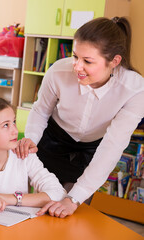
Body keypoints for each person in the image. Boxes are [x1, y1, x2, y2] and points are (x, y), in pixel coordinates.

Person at [15, 17, 144, 218]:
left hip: (94, 150)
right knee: (37, 208)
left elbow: (112, 146)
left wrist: (73, 199)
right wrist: (31, 138)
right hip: (53, 140)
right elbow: (41, 111)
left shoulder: (134, 90)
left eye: (87, 61)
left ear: (115, 61)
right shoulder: (58, 71)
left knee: (69, 212)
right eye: (75, 56)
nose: (76, 66)